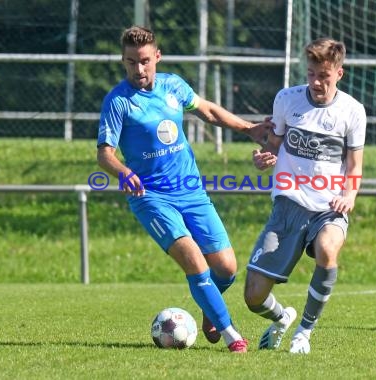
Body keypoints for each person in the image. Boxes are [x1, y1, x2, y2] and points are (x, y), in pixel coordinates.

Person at [96, 26, 269, 353]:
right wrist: (122, 172)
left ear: (157, 57)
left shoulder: (173, 86)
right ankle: (233, 336)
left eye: (145, 61)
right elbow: (104, 153)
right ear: (123, 61)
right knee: (194, 259)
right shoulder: (117, 102)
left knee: (227, 269)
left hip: (191, 191)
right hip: (151, 198)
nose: (139, 69)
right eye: (131, 62)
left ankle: (209, 310)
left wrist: (249, 129)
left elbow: (207, 111)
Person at [243, 37, 366, 354]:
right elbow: (272, 145)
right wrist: (264, 157)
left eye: (323, 75)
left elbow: (354, 165)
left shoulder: (352, 111)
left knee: (327, 248)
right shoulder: (286, 99)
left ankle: (304, 333)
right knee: (253, 297)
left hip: (328, 207)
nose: (315, 82)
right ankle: (282, 317)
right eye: (311, 73)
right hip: (287, 205)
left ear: (339, 73)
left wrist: (349, 195)